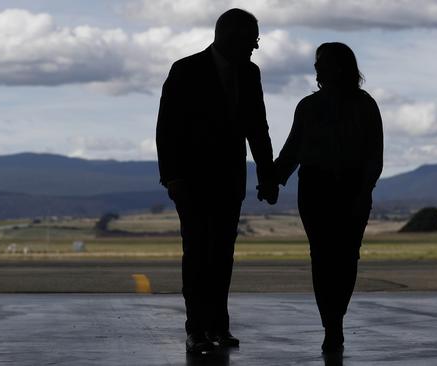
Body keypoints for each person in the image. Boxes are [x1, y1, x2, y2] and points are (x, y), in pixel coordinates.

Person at [155, 8, 278, 354]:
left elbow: (258, 128)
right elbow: (168, 129)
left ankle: (217, 327)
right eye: (252, 38)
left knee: (222, 255)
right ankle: (196, 328)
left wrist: (267, 175)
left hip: (228, 181)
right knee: (196, 254)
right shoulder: (185, 70)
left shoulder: (250, 74)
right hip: (191, 182)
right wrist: (173, 176)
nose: (255, 46)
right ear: (230, 36)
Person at [275, 42, 383, 353]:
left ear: (338, 66)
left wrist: (364, 191)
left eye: (320, 62)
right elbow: (293, 151)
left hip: (349, 188)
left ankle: (334, 320)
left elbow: (374, 156)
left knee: (344, 257)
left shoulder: (364, 106)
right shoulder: (309, 107)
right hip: (317, 188)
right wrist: (274, 180)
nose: (316, 69)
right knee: (325, 256)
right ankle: (332, 323)